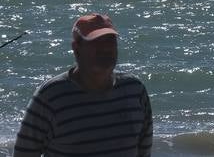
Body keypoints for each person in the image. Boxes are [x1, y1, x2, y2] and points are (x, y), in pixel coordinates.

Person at [13, 14, 153, 157]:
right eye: (96, 42)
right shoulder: (50, 97)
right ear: (76, 48)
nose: (105, 48)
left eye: (110, 41)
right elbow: (24, 153)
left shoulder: (135, 90)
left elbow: (144, 151)